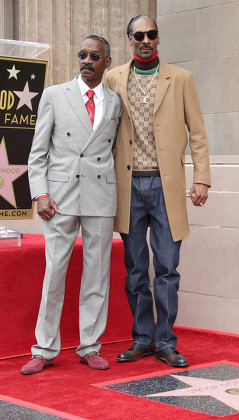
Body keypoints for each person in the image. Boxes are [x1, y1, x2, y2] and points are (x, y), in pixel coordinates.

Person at [105, 15, 211, 368]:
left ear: (158, 38)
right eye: (139, 35)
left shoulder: (181, 78)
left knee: (167, 267)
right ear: (129, 40)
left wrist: (202, 178)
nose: (145, 40)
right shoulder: (113, 77)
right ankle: (142, 340)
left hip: (167, 186)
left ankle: (166, 342)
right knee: (135, 268)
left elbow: (197, 132)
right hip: (127, 186)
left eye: (151, 34)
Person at [21, 35, 122, 375]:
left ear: (107, 61)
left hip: (100, 196)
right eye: (82, 54)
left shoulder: (115, 102)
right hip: (59, 199)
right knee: (54, 274)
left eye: (95, 56)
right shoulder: (53, 95)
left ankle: (90, 345)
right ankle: (45, 348)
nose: (87, 61)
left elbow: (115, 151)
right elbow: (37, 154)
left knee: (97, 275)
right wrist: (40, 194)